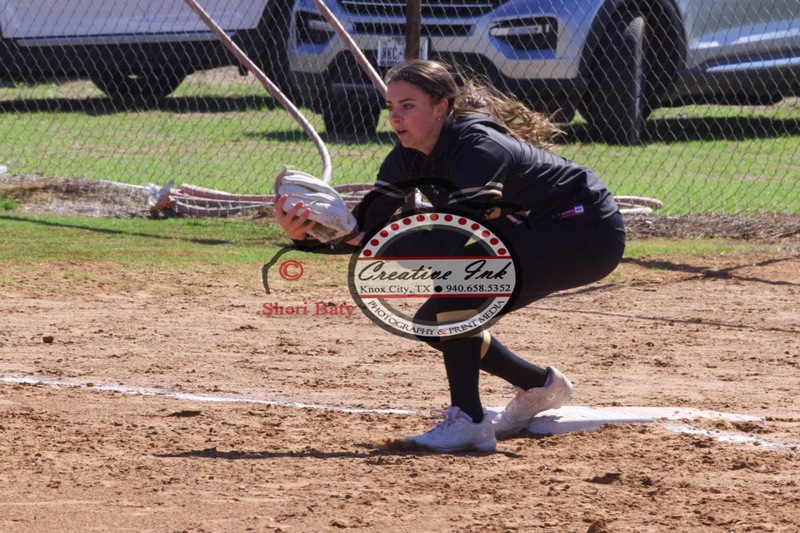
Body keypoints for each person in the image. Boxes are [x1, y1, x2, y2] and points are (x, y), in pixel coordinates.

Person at [275, 59, 626, 453]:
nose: (395, 117)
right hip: (541, 232)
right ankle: (538, 385)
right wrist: (311, 233)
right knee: (433, 319)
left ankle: (469, 420)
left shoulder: (479, 149)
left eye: (408, 105)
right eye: (390, 107)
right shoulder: (407, 157)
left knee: (460, 279)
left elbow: (447, 246)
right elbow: (362, 227)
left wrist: (356, 236)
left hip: (585, 231)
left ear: (441, 107)